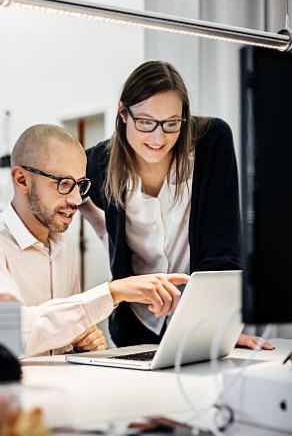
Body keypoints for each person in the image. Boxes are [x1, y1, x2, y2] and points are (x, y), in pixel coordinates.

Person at [0, 124, 190, 357]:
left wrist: (81, 341)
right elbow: (11, 335)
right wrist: (112, 293)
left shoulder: (65, 248)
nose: (76, 199)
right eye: (63, 183)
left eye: (80, 185)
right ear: (21, 180)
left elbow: (59, 332)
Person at [81, 60, 274, 351]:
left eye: (172, 123)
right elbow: (64, 188)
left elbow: (222, 249)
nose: (159, 138)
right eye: (145, 122)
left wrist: (218, 326)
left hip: (198, 321)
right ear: (123, 113)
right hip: (135, 324)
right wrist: (102, 229)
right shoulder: (100, 161)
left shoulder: (211, 142)